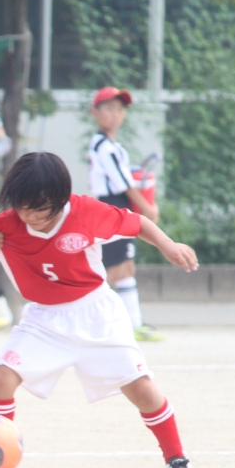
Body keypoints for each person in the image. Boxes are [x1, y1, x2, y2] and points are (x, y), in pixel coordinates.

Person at [0, 152, 199, 468]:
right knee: (1, 377)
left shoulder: (86, 212)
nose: (31, 217)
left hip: (96, 314)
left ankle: (177, 461)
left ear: (61, 200)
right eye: (23, 208)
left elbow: (137, 223)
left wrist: (167, 245)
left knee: (142, 390)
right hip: (44, 320)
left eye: (40, 209)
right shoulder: (5, 228)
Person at [88, 86, 162, 342]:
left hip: (117, 205)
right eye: (109, 108)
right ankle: (91, 320)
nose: (116, 114)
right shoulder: (104, 147)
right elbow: (123, 183)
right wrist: (148, 208)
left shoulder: (112, 146)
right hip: (112, 206)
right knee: (114, 268)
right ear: (95, 113)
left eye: (120, 109)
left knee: (126, 266)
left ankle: (134, 324)